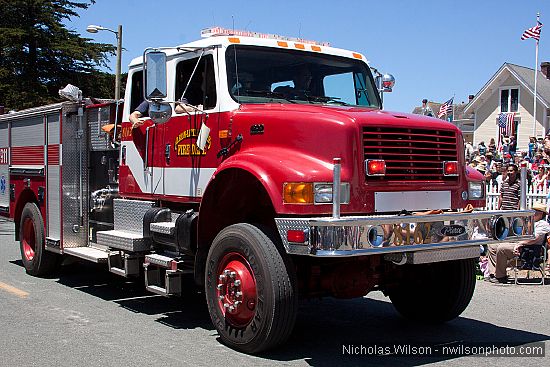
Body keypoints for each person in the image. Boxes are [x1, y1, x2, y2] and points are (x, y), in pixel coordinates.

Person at [486, 202, 550, 283]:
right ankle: (493, 273)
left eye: (535, 212)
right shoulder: (530, 221)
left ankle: (500, 276)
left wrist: (520, 244)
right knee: (492, 245)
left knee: (502, 248)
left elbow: (534, 239)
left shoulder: (543, 224)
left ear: (541, 214)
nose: (533, 213)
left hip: (529, 249)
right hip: (521, 244)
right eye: (532, 211)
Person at [129, 98, 196, 129]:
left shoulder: (176, 96)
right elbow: (133, 115)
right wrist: (136, 121)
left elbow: (179, 108)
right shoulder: (150, 100)